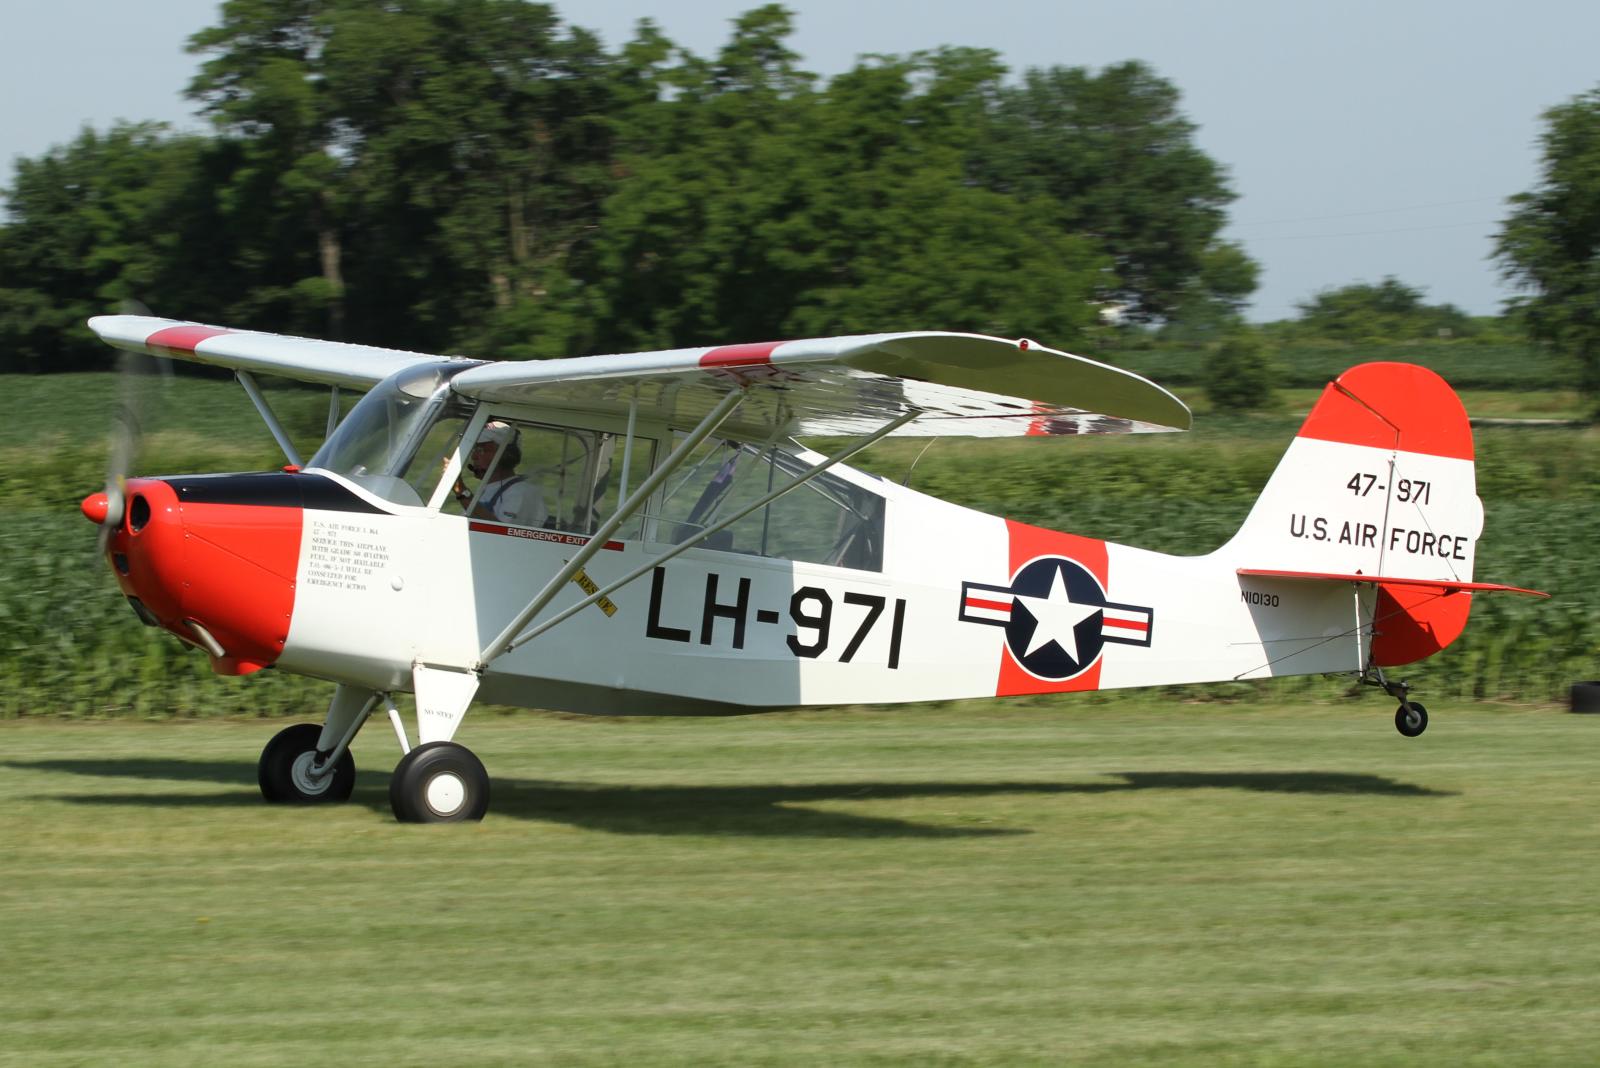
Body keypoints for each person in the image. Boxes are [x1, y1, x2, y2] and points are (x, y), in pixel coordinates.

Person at [454, 421, 548, 527]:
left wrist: (460, 490)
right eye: (474, 449)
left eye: (481, 450)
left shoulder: (521, 493)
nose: (474, 456)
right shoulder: (488, 489)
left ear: (506, 456)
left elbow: (500, 532)